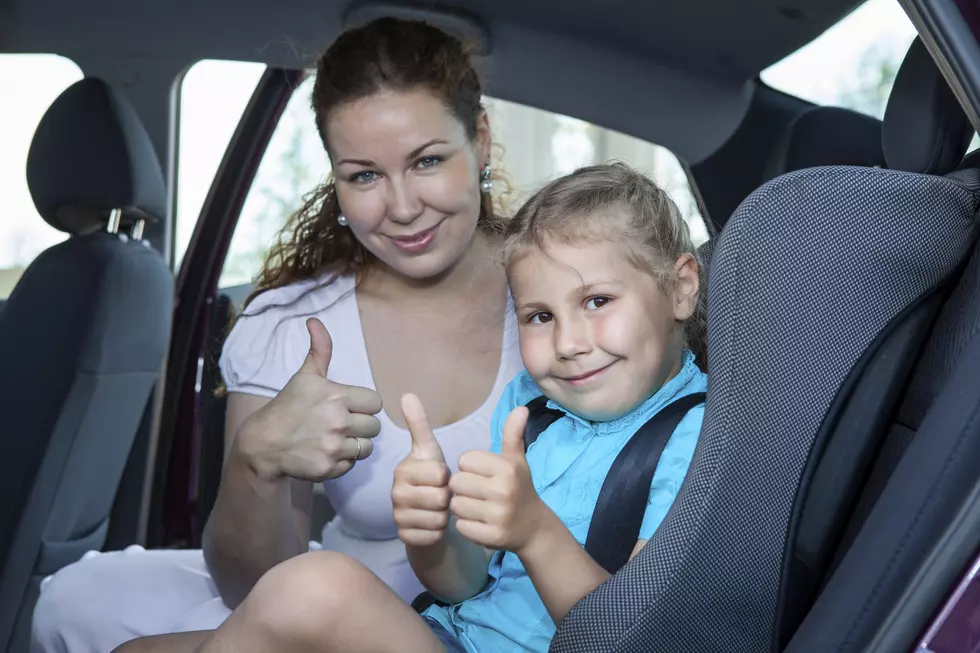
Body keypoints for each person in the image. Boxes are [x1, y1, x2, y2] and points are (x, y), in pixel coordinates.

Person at [30, 16, 525, 653]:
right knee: (72, 603)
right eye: (364, 175)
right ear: (336, 179)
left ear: (479, 141)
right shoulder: (292, 326)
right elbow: (257, 588)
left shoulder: (564, 290)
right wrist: (254, 463)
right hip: (326, 604)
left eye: (427, 160)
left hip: (502, 622)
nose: (401, 207)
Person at [116, 161, 709, 653]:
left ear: (681, 287)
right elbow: (463, 585)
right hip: (451, 636)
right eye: (540, 316)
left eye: (598, 300)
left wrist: (535, 533)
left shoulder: (701, 442)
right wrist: (432, 534)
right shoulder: (531, 409)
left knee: (318, 589)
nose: (568, 342)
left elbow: (636, 640)